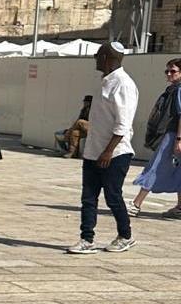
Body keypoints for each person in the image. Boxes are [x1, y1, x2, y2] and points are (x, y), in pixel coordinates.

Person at [67, 42, 139, 254]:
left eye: (98, 55)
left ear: (107, 58)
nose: (95, 59)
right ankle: (86, 239)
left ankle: (126, 235)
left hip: (115, 153)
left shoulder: (123, 84)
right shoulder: (105, 82)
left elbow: (123, 124)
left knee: (112, 196)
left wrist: (108, 152)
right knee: (88, 197)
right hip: (93, 151)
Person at [130, 58, 181, 218]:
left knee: (156, 166)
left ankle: (136, 204)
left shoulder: (178, 90)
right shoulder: (173, 90)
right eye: (167, 71)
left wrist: (179, 140)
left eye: (173, 71)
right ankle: (180, 207)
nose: (168, 74)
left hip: (173, 135)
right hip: (173, 134)